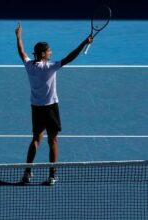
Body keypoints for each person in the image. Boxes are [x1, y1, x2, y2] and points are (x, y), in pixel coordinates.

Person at [15, 23, 93, 185]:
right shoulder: (50, 67)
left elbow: (21, 52)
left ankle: (27, 172)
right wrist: (84, 43)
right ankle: (52, 175)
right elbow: (70, 58)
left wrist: (18, 36)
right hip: (50, 108)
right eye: (49, 50)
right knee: (53, 140)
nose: (51, 52)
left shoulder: (29, 66)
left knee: (36, 139)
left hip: (36, 108)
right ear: (43, 54)